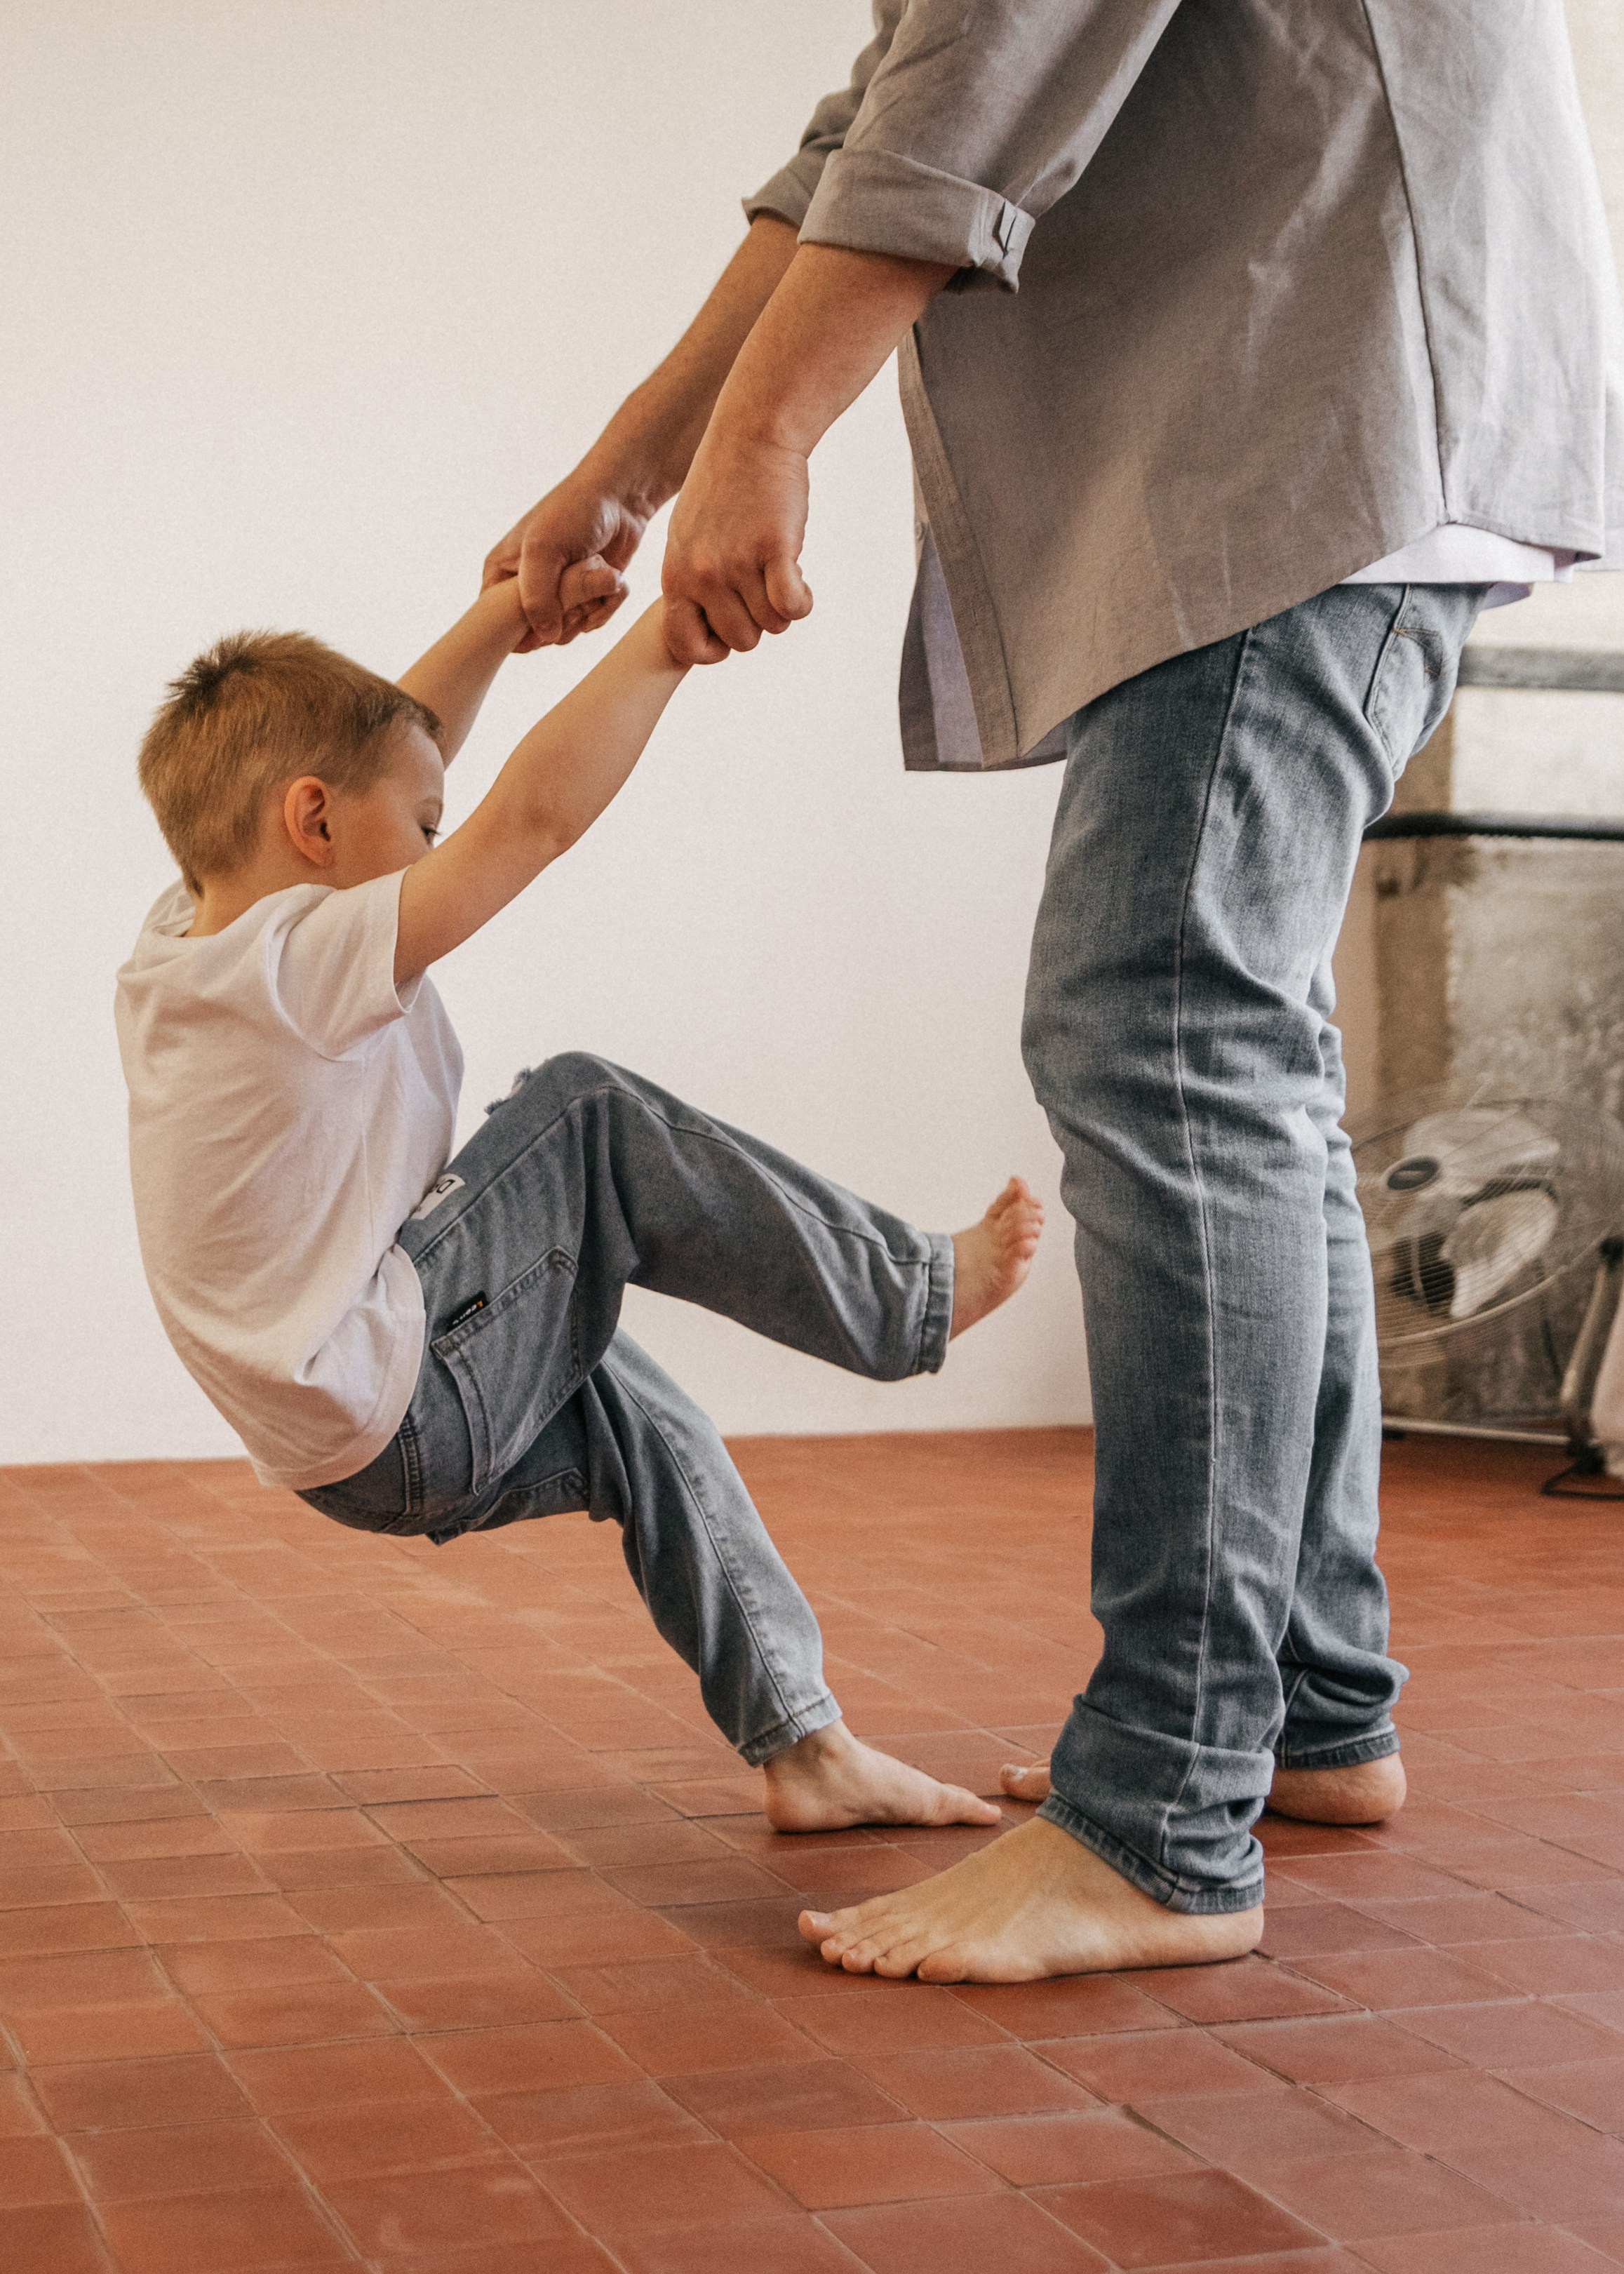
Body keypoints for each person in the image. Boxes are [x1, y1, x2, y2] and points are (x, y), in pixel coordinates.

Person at [483, 2, 1623, 1979]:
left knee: (1160, 1021)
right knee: (1229, 1037)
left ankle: (1165, 1814)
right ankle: (1306, 1708)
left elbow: (975, 75)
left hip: (1317, 402)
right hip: (1311, 404)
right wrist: (626, 470)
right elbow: (885, 115)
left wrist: (762, 435)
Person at [114, 573, 1045, 1833]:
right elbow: (530, 823)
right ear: (315, 828)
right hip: (407, 1396)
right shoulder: (298, 962)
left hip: (351, 1444)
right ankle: (908, 1297)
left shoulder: (192, 941)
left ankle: (806, 1746)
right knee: (585, 1113)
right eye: (424, 828)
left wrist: (506, 617)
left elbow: (387, 747)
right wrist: (670, 638)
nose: (437, 848)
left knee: (645, 1421)